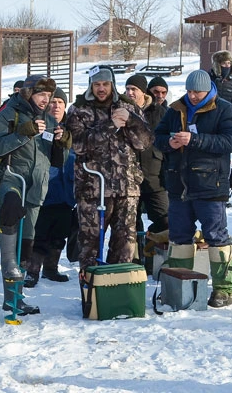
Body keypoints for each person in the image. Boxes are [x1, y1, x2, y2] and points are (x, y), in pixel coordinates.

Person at [156, 70, 232, 307]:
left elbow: (231, 141)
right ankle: (178, 285)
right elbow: (158, 135)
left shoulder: (225, 109)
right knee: (179, 237)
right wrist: (168, 143)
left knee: (216, 236)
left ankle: (224, 289)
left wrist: (196, 140)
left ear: (208, 90)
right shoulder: (175, 109)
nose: (192, 96)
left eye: (197, 92)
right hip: (178, 184)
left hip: (211, 185)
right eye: (189, 91)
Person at [0, 75, 69, 314]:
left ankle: (17, 297)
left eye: (49, 96)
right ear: (28, 93)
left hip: (37, 187)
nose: (46, 100)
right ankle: (10, 295)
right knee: (11, 228)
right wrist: (23, 133)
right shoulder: (9, 113)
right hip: (12, 181)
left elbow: (56, 162)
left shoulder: (48, 118)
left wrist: (62, 143)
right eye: (41, 95)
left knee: (27, 245)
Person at [66, 67, 153, 275]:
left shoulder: (128, 106)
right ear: (91, 86)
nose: (101, 89)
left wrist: (132, 121)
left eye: (105, 84)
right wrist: (110, 125)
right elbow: (77, 145)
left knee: (125, 245)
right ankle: (91, 297)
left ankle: (116, 292)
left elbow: (145, 143)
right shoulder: (78, 109)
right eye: (97, 85)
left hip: (126, 188)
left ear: (112, 84)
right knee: (90, 246)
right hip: (92, 189)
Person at [25, 87, 74, 287]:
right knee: (40, 234)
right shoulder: (40, 125)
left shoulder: (72, 128)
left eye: (60, 103)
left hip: (66, 192)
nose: (56, 106)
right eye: (53, 102)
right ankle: (32, 270)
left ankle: (51, 268)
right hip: (43, 190)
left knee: (60, 232)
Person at [124, 74, 169, 262]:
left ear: (143, 92)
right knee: (130, 223)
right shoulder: (121, 111)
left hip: (155, 175)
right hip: (128, 177)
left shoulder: (159, 112)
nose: (130, 92)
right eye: (127, 89)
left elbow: (167, 143)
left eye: (134, 89)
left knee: (164, 219)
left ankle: (156, 258)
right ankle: (134, 262)